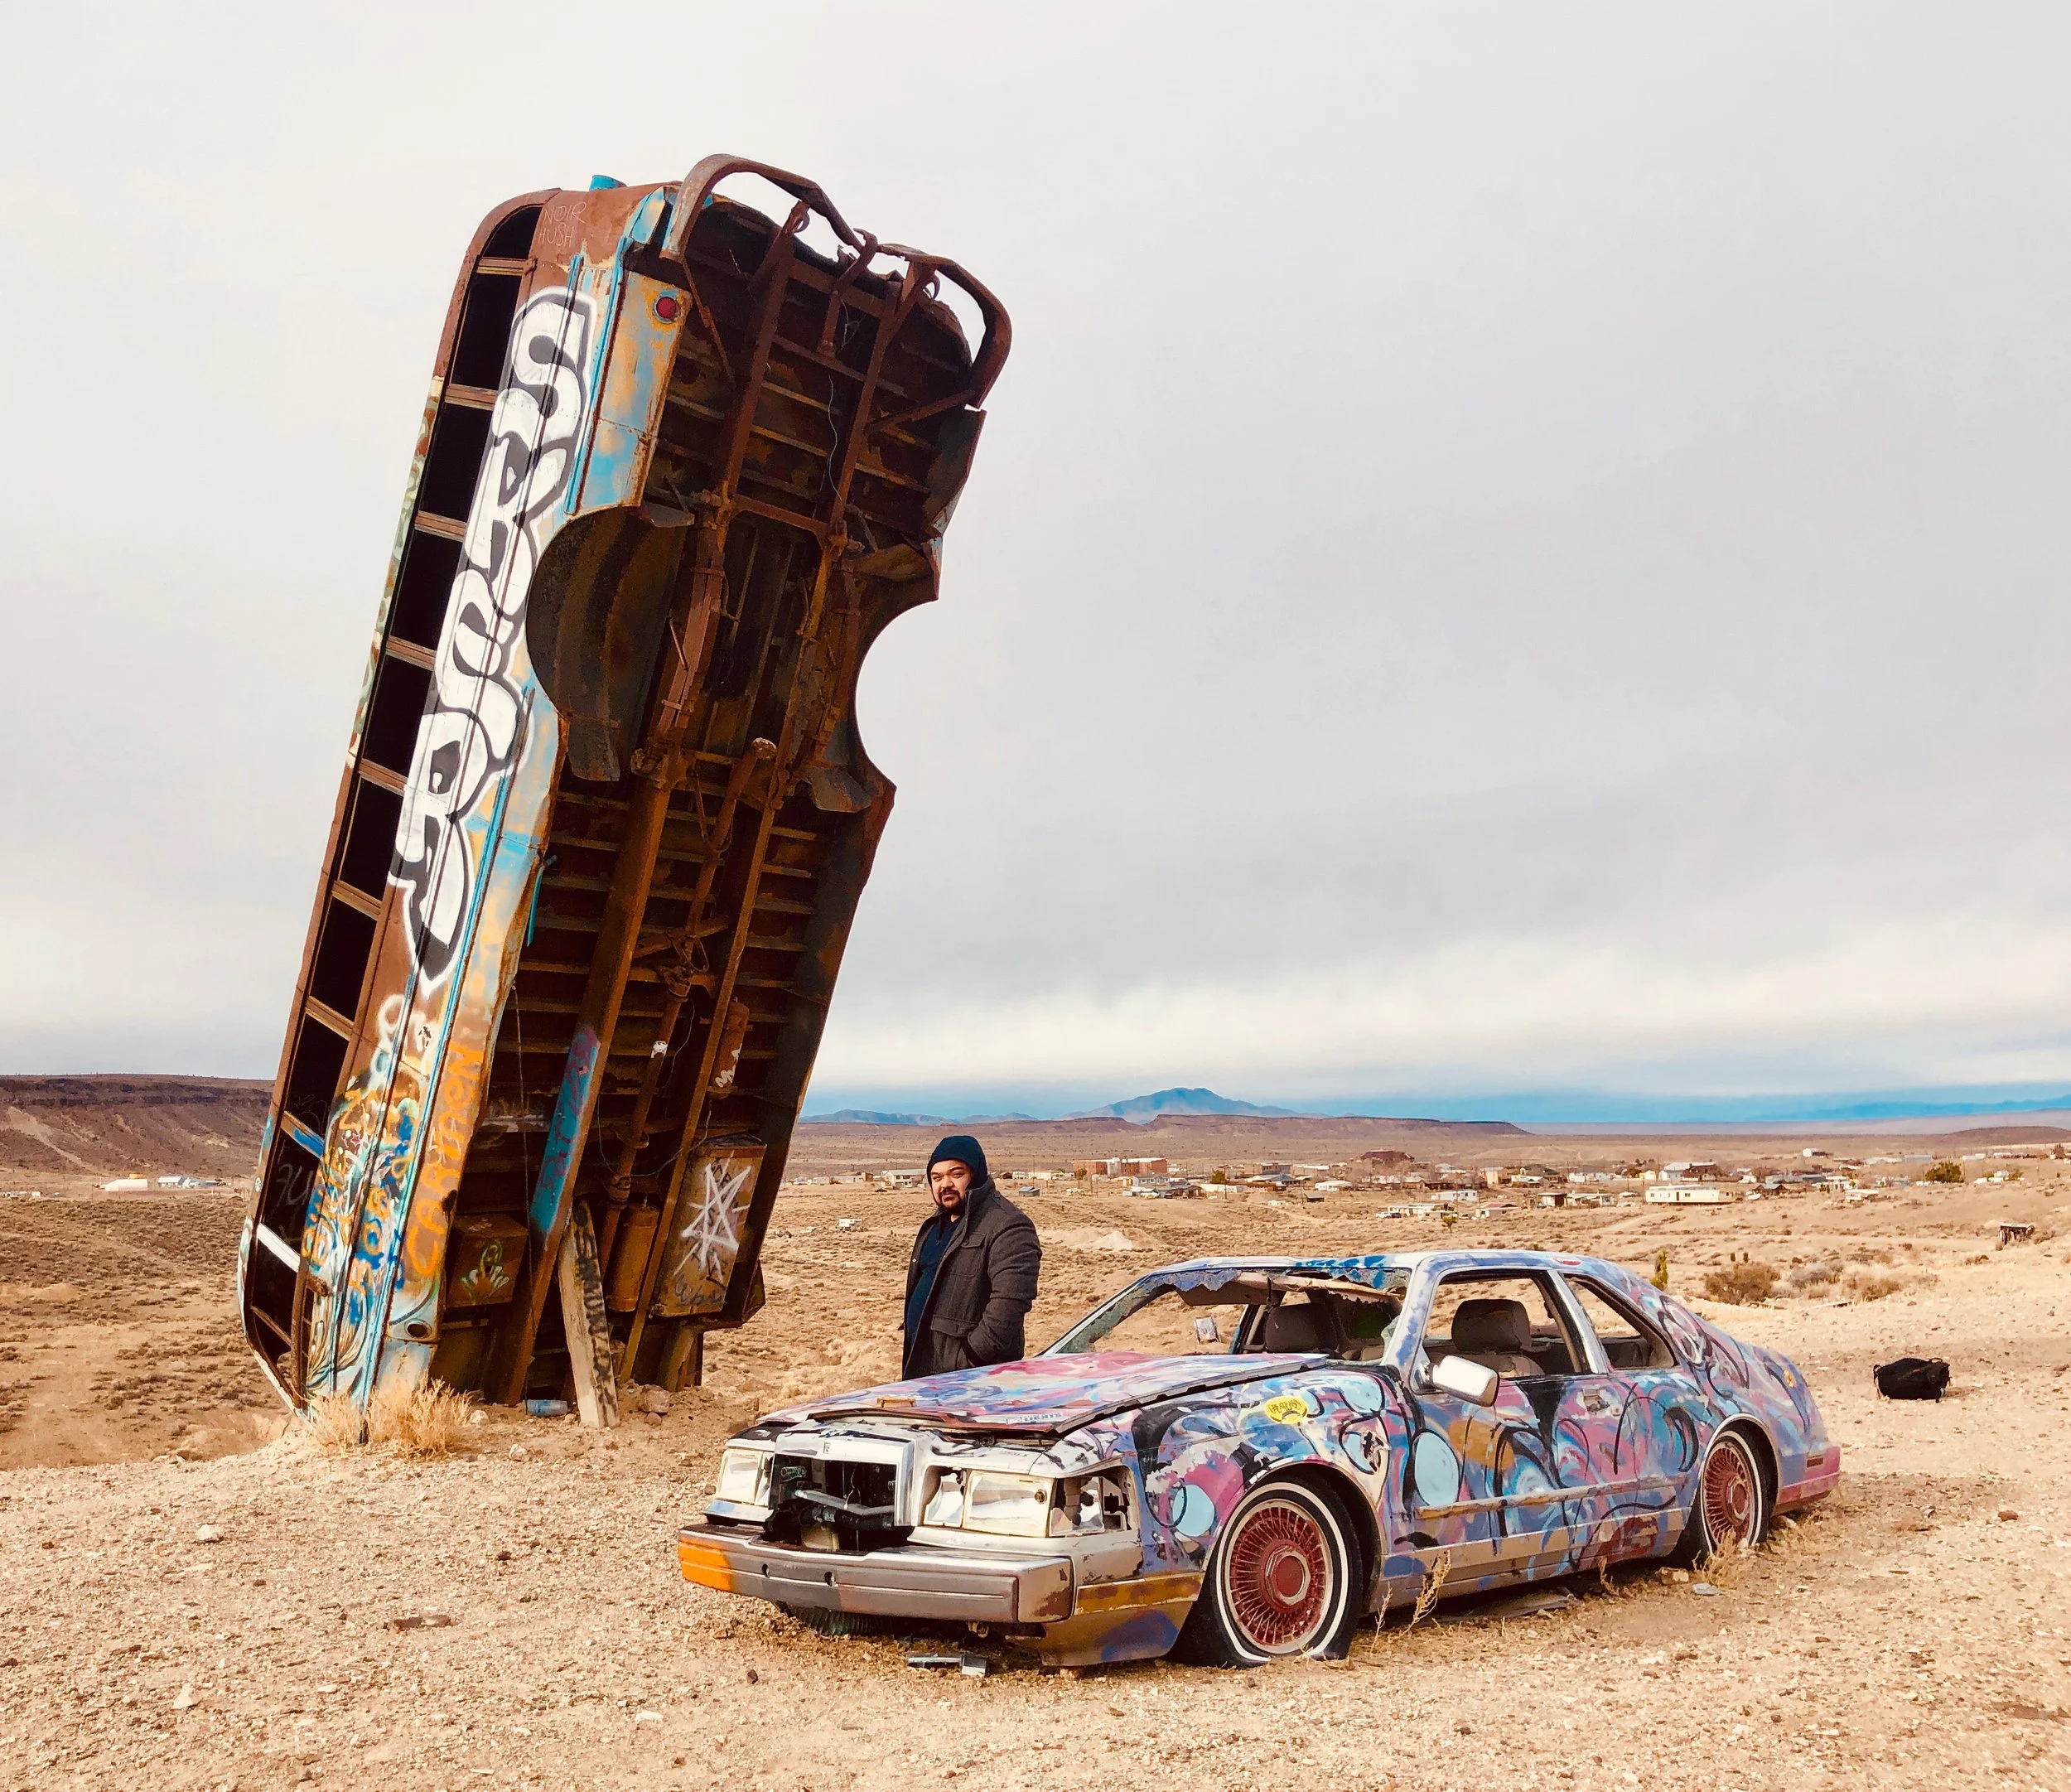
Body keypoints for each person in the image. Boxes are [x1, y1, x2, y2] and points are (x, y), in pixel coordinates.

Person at [901, 1134, 1040, 1378]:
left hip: (974, 1379)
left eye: (956, 1174)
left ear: (976, 1175)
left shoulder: (1008, 1225)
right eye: (937, 1178)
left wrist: (971, 1357)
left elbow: (1010, 1303)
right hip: (926, 1370)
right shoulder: (935, 1226)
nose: (945, 1184)